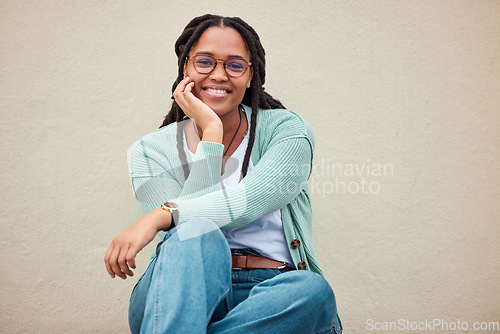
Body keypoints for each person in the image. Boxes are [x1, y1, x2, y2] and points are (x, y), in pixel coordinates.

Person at [104, 14, 342, 333]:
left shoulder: (287, 131)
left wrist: (161, 215)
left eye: (234, 65)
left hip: (272, 299)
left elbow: (245, 202)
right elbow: (187, 232)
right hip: (182, 292)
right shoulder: (149, 151)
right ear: (185, 69)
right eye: (204, 62)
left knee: (312, 292)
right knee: (195, 234)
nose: (219, 74)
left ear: (250, 75)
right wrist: (211, 134)